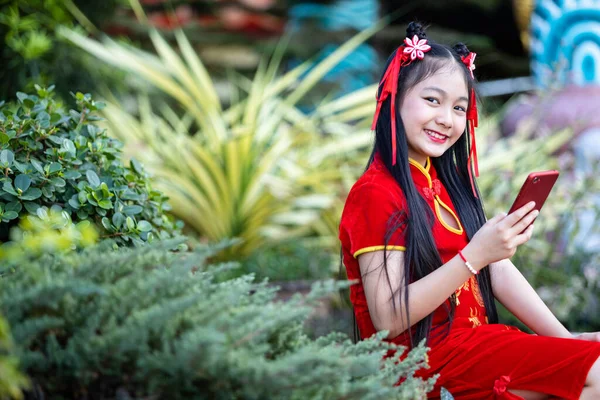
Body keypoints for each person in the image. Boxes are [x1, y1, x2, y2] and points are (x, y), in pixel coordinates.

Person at [338, 22, 600, 400]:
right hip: (419, 365)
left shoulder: (443, 185)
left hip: (470, 348)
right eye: (433, 100)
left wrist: (565, 339)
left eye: (459, 107)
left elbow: (496, 271)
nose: (447, 118)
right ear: (393, 99)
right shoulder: (376, 193)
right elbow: (388, 317)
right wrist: (475, 254)